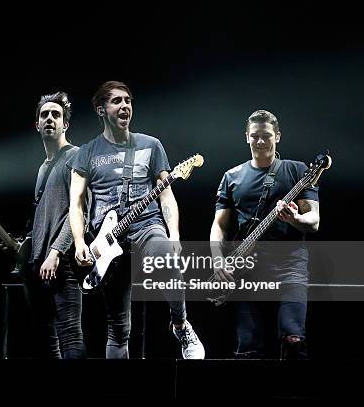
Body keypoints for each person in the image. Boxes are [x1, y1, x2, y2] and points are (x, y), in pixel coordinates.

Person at [69, 81, 205, 359]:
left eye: (128, 100)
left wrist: (174, 234)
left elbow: (166, 197)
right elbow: (76, 202)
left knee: (166, 258)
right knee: (118, 329)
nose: (125, 106)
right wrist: (80, 242)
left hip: (146, 226)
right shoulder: (87, 152)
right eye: (117, 101)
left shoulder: (150, 145)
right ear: (101, 110)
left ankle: (180, 324)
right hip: (106, 240)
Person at [210, 109, 320, 359]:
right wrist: (218, 261)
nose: (261, 141)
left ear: (278, 136)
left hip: (289, 266)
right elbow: (219, 225)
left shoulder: (298, 171)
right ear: (246, 137)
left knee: (293, 339)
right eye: (255, 136)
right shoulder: (232, 177)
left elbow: (313, 221)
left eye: (267, 136)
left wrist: (295, 218)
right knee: (248, 346)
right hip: (246, 269)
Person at [22, 91, 86, 358]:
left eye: (56, 115)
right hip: (39, 263)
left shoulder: (76, 157)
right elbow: (43, 216)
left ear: (65, 124)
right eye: (44, 115)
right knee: (46, 338)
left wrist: (56, 252)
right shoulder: (42, 168)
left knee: (70, 333)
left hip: (64, 260)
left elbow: (79, 210)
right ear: (37, 124)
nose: (50, 118)